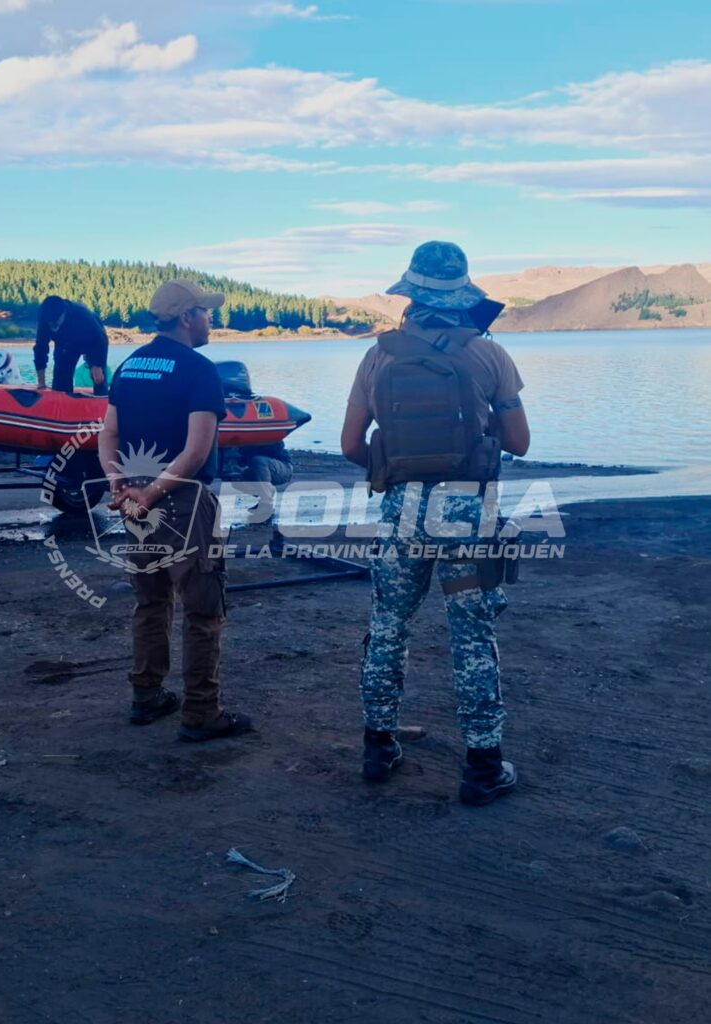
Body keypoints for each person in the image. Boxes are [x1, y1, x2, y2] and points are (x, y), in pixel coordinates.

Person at [340, 241, 530, 806]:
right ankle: (482, 766)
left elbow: (351, 444)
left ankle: (379, 748)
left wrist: (396, 469)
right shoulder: (489, 355)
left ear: (410, 295)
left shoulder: (378, 356)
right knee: (472, 636)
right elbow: (519, 442)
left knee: (389, 626)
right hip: (469, 516)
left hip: (401, 517)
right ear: (463, 294)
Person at [98, 279, 252, 742]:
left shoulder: (129, 365)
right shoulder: (198, 370)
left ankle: (146, 697)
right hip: (182, 500)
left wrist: (119, 484)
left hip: (135, 500)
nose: (211, 320)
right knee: (203, 608)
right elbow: (196, 451)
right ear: (187, 318)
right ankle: (202, 712)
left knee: (150, 600)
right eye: (206, 312)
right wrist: (157, 492)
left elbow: (108, 434)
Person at [34, 295, 109, 395]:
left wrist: (98, 365)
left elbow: (101, 340)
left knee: (98, 378)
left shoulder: (82, 314)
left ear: (63, 313)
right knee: (60, 381)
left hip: (91, 343)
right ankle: (62, 405)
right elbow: (40, 349)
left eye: (55, 323)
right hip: (65, 345)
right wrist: (41, 383)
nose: (53, 327)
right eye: (50, 324)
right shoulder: (45, 321)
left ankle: (103, 401)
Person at [223, 440, 294, 486]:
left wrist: (259, 443)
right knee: (236, 480)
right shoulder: (245, 446)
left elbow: (278, 447)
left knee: (259, 461)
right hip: (267, 471)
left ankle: (266, 501)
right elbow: (243, 462)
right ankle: (263, 493)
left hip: (284, 468)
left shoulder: (265, 436)